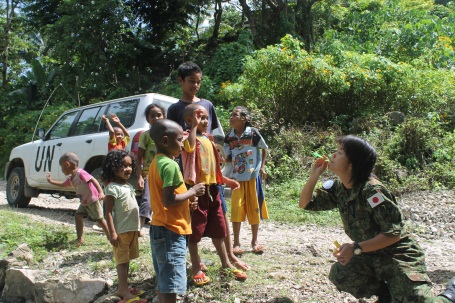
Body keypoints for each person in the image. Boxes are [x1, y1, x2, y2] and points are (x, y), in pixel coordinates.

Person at [298, 135, 455, 303]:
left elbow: (393, 234)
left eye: (340, 152)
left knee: (418, 301)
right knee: (341, 274)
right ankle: (387, 295)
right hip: (369, 253)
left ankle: (450, 293)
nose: (333, 155)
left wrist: (356, 248)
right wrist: (314, 175)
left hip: (397, 255)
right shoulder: (340, 189)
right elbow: (305, 203)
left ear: (352, 164)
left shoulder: (373, 192)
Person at [167, 61, 250, 271]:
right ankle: (196, 262)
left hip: (212, 178)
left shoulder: (207, 105)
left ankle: (229, 257)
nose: (195, 85)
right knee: (194, 221)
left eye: (198, 82)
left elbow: (214, 138)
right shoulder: (176, 109)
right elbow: (178, 144)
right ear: (180, 81)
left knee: (219, 216)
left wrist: (224, 174)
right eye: (191, 81)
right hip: (191, 178)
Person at [182, 104, 248, 285]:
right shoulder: (188, 136)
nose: (204, 121)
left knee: (219, 228)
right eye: (199, 118)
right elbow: (188, 147)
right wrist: (194, 127)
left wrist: (226, 181)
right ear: (189, 120)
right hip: (197, 191)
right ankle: (196, 267)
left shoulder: (209, 140)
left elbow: (214, 170)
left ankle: (226, 263)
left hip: (213, 190)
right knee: (195, 230)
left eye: (205, 118)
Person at [148, 119, 206, 303]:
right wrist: (192, 191)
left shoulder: (156, 162)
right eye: (180, 140)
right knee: (171, 283)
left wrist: (187, 202)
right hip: (170, 231)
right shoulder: (170, 165)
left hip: (160, 227)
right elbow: (168, 199)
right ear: (165, 141)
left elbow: (165, 197)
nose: (182, 144)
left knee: (164, 280)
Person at [101, 150, 146, 303]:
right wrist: (112, 233)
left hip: (131, 230)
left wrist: (138, 228)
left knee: (126, 259)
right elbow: (107, 212)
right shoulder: (112, 188)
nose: (128, 169)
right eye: (123, 166)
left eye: (130, 166)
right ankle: (123, 291)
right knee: (121, 261)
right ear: (113, 167)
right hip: (120, 231)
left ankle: (124, 287)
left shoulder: (127, 186)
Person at [224, 106, 269, 255]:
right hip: (237, 179)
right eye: (231, 114)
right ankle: (236, 243)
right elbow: (228, 157)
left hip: (252, 177)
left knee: (253, 208)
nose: (231, 117)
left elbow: (264, 148)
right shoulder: (229, 137)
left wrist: (261, 167)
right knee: (236, 209)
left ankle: (255, 241)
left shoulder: (253, 133)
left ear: (245, 119)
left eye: (234, 115)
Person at [46, 152, 109, 246]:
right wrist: (51, 181)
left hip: (93, 199)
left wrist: (101, 192)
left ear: (67, 164)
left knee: (99, 219)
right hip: (85, 201)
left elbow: (93, 179)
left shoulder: (80, 173)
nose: (62, 170)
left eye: (62, 167)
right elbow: (63, 184)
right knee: (78, 215)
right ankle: (79, 239)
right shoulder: (71, 178)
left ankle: (111, 236)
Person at [135, 103, 166, 236]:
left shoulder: (168, 134)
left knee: (165, 200)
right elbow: (138, 158)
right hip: (149, 173)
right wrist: (139, 177)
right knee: (147, 200)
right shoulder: (145, 136)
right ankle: (139, 227)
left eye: (159, 115)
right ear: (147, 119)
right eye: (152, 116)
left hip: (165, 173)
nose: (156, 118)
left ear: (164, 116)